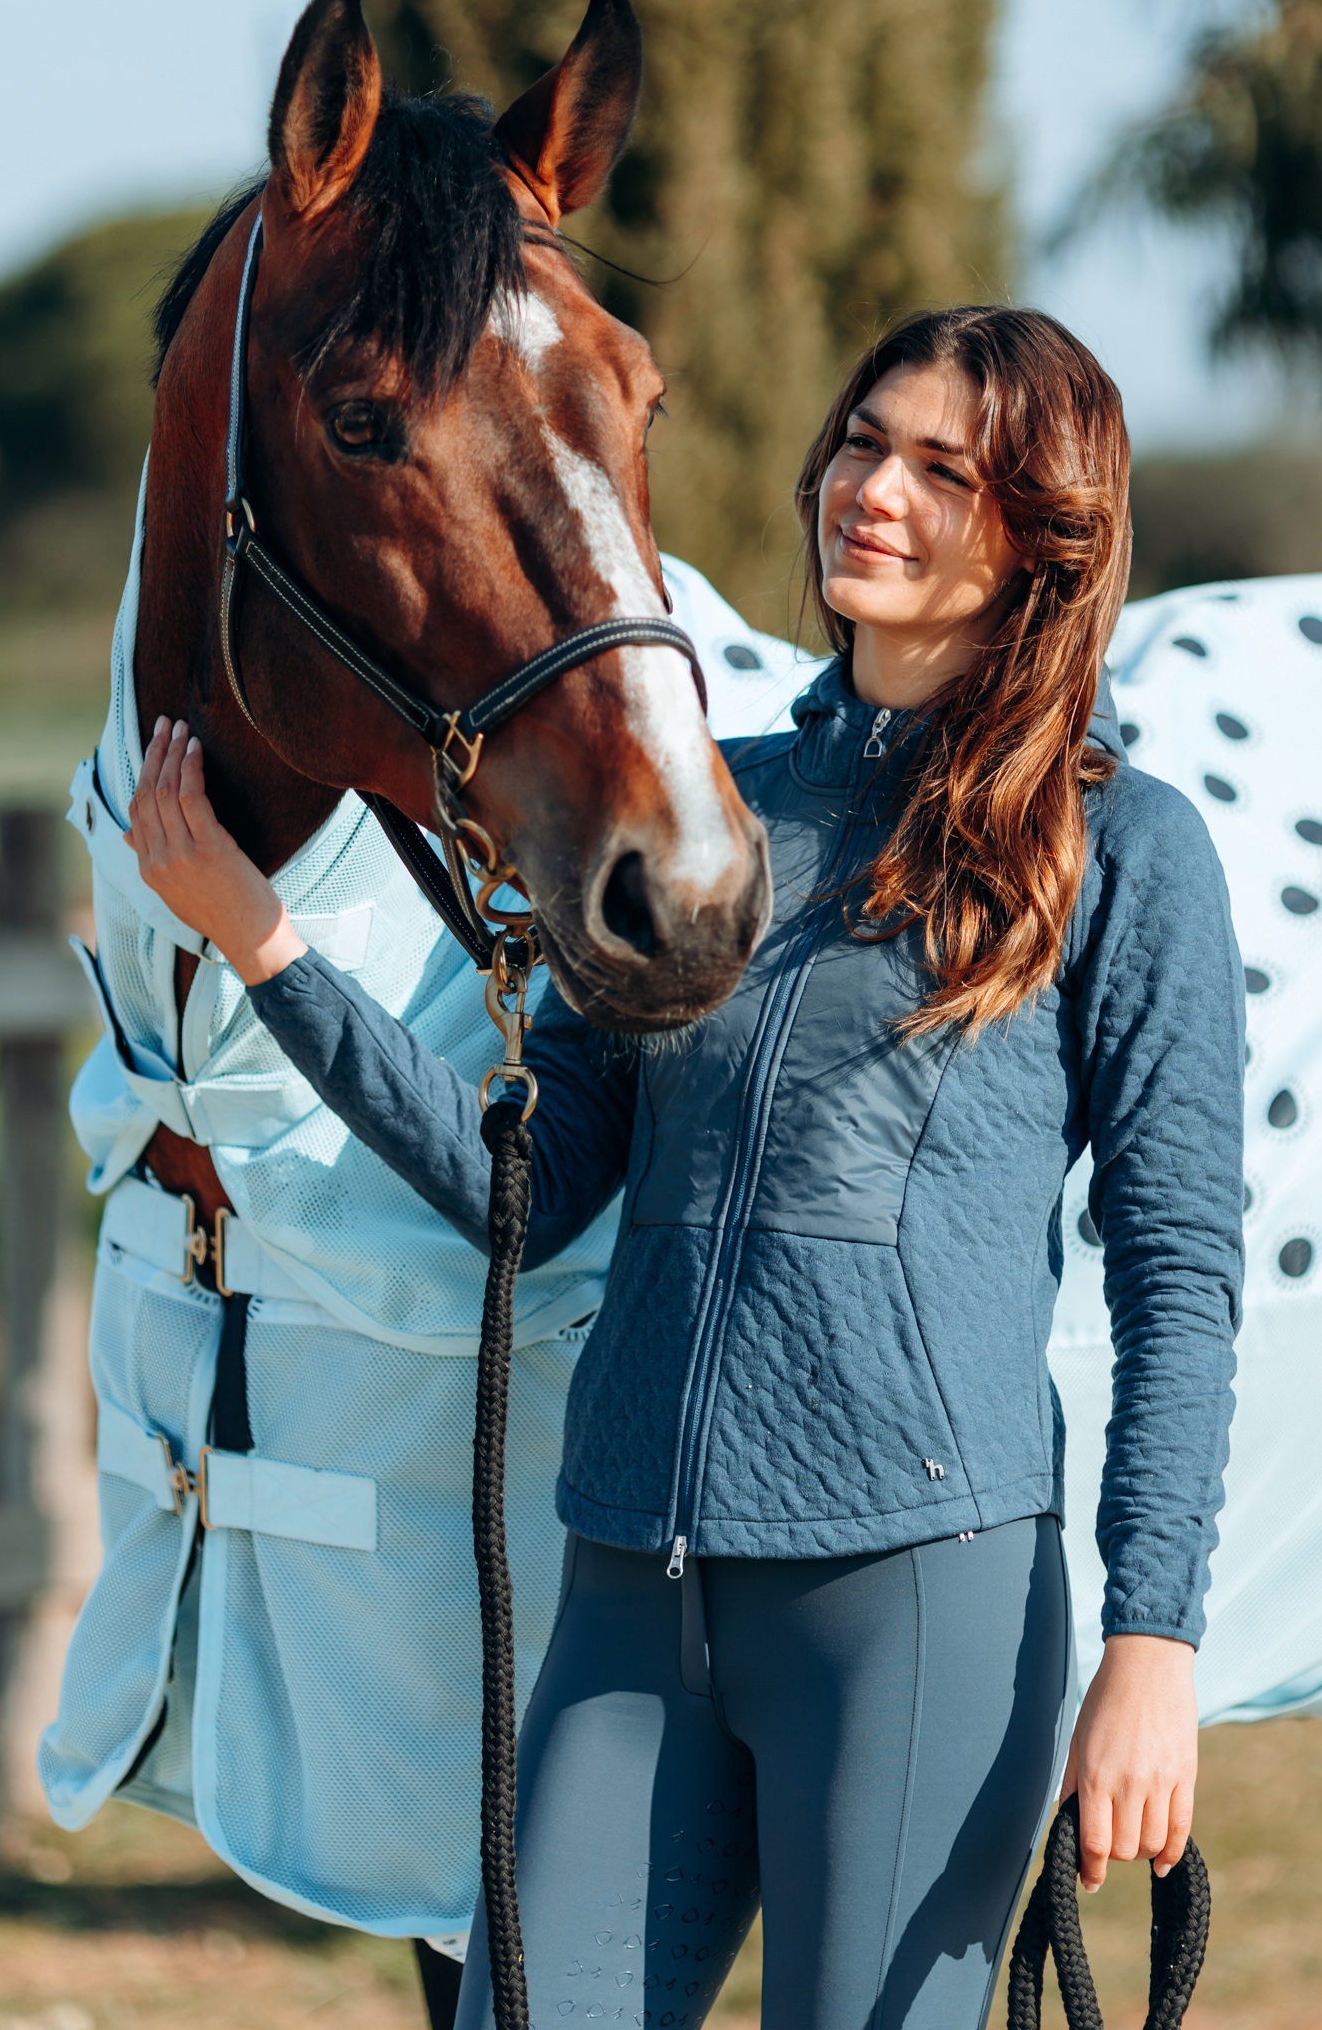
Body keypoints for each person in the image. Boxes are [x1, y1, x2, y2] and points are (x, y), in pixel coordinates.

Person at [124, 305, 1245, 2030]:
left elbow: (1180, 1275)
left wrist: (1152, 1648)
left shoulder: (1122, 848)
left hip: (916, 1606)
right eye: (864, 443)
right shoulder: (714, 816)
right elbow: (532, 1181)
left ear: (1043, 536)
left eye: (945, 470)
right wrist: (268, 949)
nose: (875, 490)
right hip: (630, 1586)